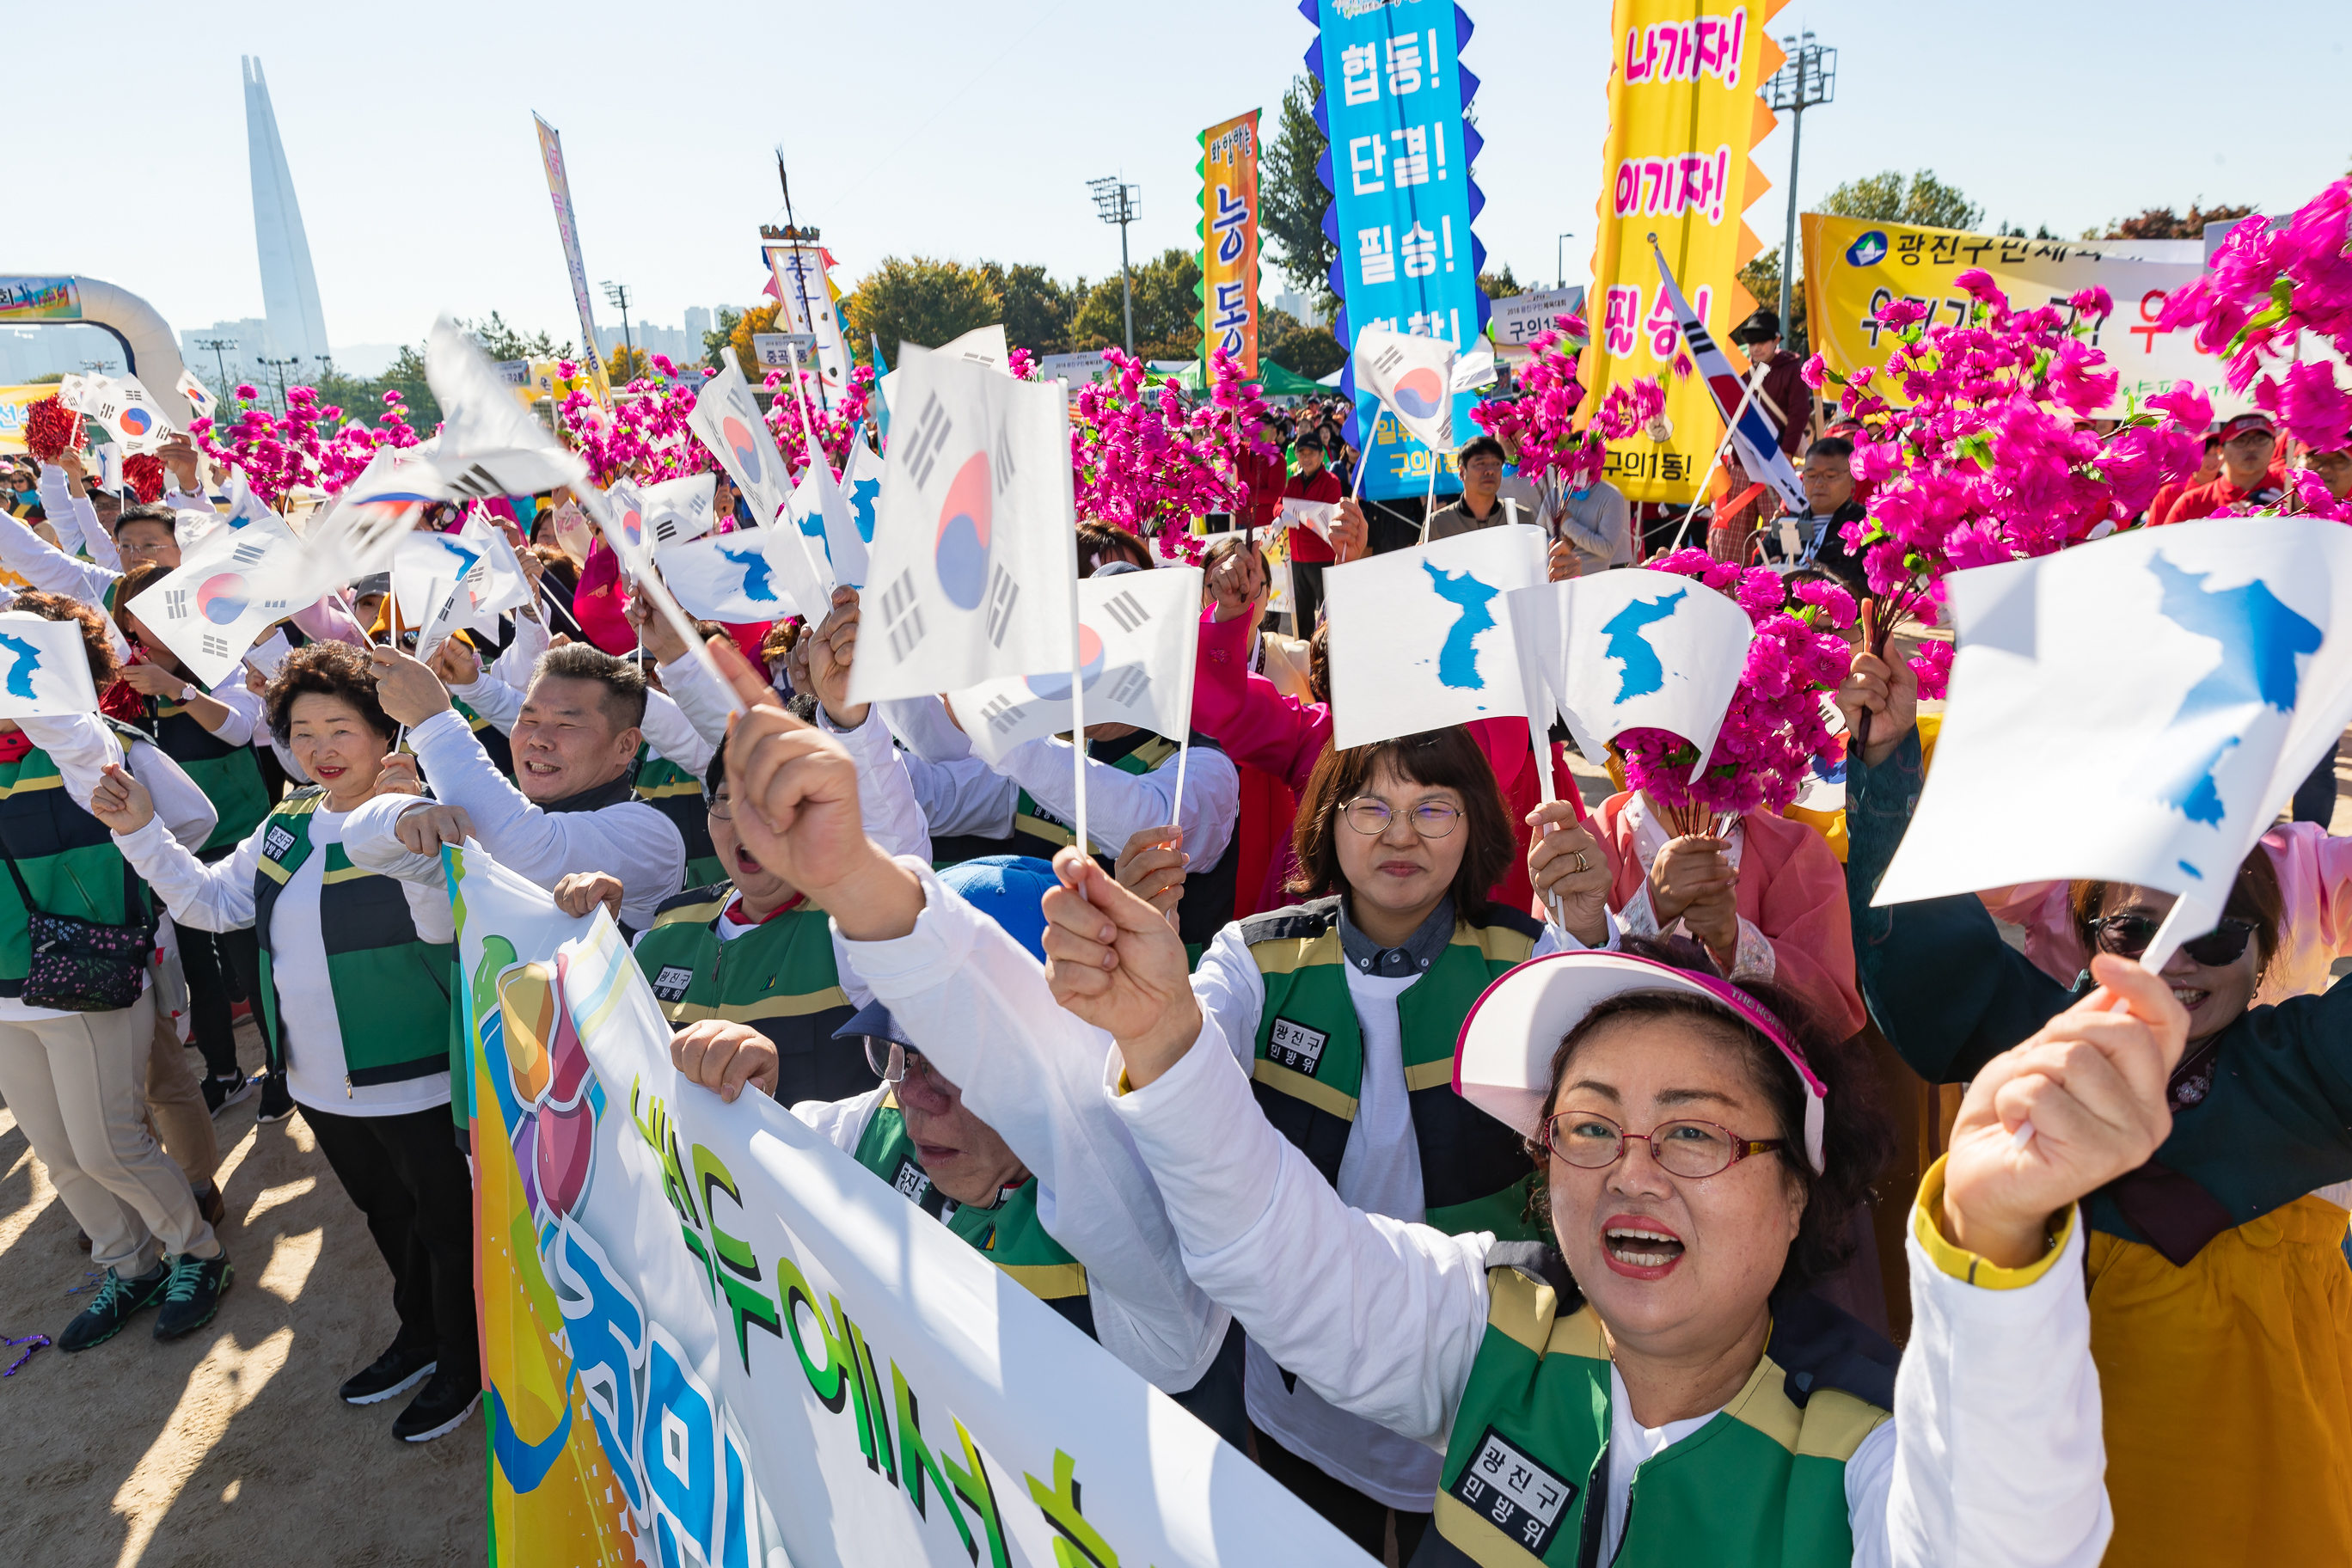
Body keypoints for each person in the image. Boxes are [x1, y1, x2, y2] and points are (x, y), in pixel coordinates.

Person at [1038, 837, 2171, 1565]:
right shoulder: (1497, 1321)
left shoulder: (1871, 1442)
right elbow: (1273, 1254)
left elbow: (2001, 1540)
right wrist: (1161, 1035)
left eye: (1691, 1131)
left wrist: (1995, 1240)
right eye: (1589, 1126)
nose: (1630, 1171)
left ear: (1797, 1194)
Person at [1840, 646, 2352, 1565]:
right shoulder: (2039, 1052)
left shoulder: (2306, 1072)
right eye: (2138, 933)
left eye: (2216, 933)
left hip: (2272, 1471)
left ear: (2262, 953)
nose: (2177, 964)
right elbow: (1926, 961)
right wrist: (1885, 767)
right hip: (2063, 1478)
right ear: (2087, 940)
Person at [1114, 726, 1612, 1555]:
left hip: (1482, 1383)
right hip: (1296, 1392)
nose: (1401, 834)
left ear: (1478, 822)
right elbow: (1178, 1060)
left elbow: (1618, 1060)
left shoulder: (1530, 961)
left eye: (1433, 808)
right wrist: (1150, 969)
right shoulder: (1255, 956)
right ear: (1327, 821)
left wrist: (1592, 927)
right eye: (1371, 805)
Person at [661, 843, 1245, 1449]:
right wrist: (737, 1093)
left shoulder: (1158, 1237)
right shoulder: (879, 1123)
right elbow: (728, 1172)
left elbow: (1105, 1175)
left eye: (954, 1064)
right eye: (901, 1055)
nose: (916, 1097)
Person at [89, 641, 481, 1443]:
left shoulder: (408, 815)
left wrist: (415, 814)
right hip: (317, 1080)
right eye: (302, 733)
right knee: (384, 1215)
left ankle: (464, 1363)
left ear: (385, 735)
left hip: (419, 1077)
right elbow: (206, 902)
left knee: (447, 1229)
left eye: (341, 729)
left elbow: (387, 827)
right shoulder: (287, 820)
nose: (320, 750)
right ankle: (419, 1336)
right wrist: (139, 833)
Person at [0, 592, 232, 1354]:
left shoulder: (95, 745)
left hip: (85, 976)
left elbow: (192, 824)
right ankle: (127, 1265)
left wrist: (141, 899)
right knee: (61, 1155)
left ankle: (194, 1252)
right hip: (5, 996)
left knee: (109, 1145)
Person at [109, 560, 274, 1116]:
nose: (139, 632)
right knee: (197, 965)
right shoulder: (115, 680)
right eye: (130, 620)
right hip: (173, 843)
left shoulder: (217, 659)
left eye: (153, 614)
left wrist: (175, 689)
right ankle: (224, 1072)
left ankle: (280, 1068)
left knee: (251, 957)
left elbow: (235, 728)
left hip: (238, 833)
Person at [1768, 437, 1869, 596]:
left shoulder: (1866, 525)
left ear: (1852, 479)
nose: (1819, 483)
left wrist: (1824, 574)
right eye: (1811, 475)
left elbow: (1873, 588)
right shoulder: (1788, 522)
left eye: (1830, 476)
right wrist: (1769, 572)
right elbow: (1751, 573)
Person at [2159, 411, 2286, 523]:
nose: (2252, 447)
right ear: (2221, 451)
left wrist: (2291, 515)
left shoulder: (2292, 492)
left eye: (2260, 439)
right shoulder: (2191, 503)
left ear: (2274, 446)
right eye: (2241, 441)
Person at [1726, 308, 1814, 460]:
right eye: (1752, 342)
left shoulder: (1792, 370)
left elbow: (1798, 414)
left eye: (1762, 341)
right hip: (1743, 456)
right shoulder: (1742, 371)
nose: (1756, 348)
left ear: (1777, 340)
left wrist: (1787, 451)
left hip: (1778, 455)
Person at [1282, 433, 1346, 629]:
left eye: (1311, 453)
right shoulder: (1292, 483)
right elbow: (1280, 505)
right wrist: (1282, 514)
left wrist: (1296, 513)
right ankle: (1305, 655)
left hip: (1322, 558)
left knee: (1329, 615)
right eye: (1302, 453)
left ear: (1321, 456)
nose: (1306, 458)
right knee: (1302, 616)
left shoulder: (1332, 482)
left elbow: (1324, 515)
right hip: (1298, 560)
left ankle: (1329, 657)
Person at [2146, 432, 2222, 526]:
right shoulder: (2168, 494)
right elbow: (2153, 535)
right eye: (2206, 454)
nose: (2213, 460)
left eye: (2218, 453)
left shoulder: (2236, 492)